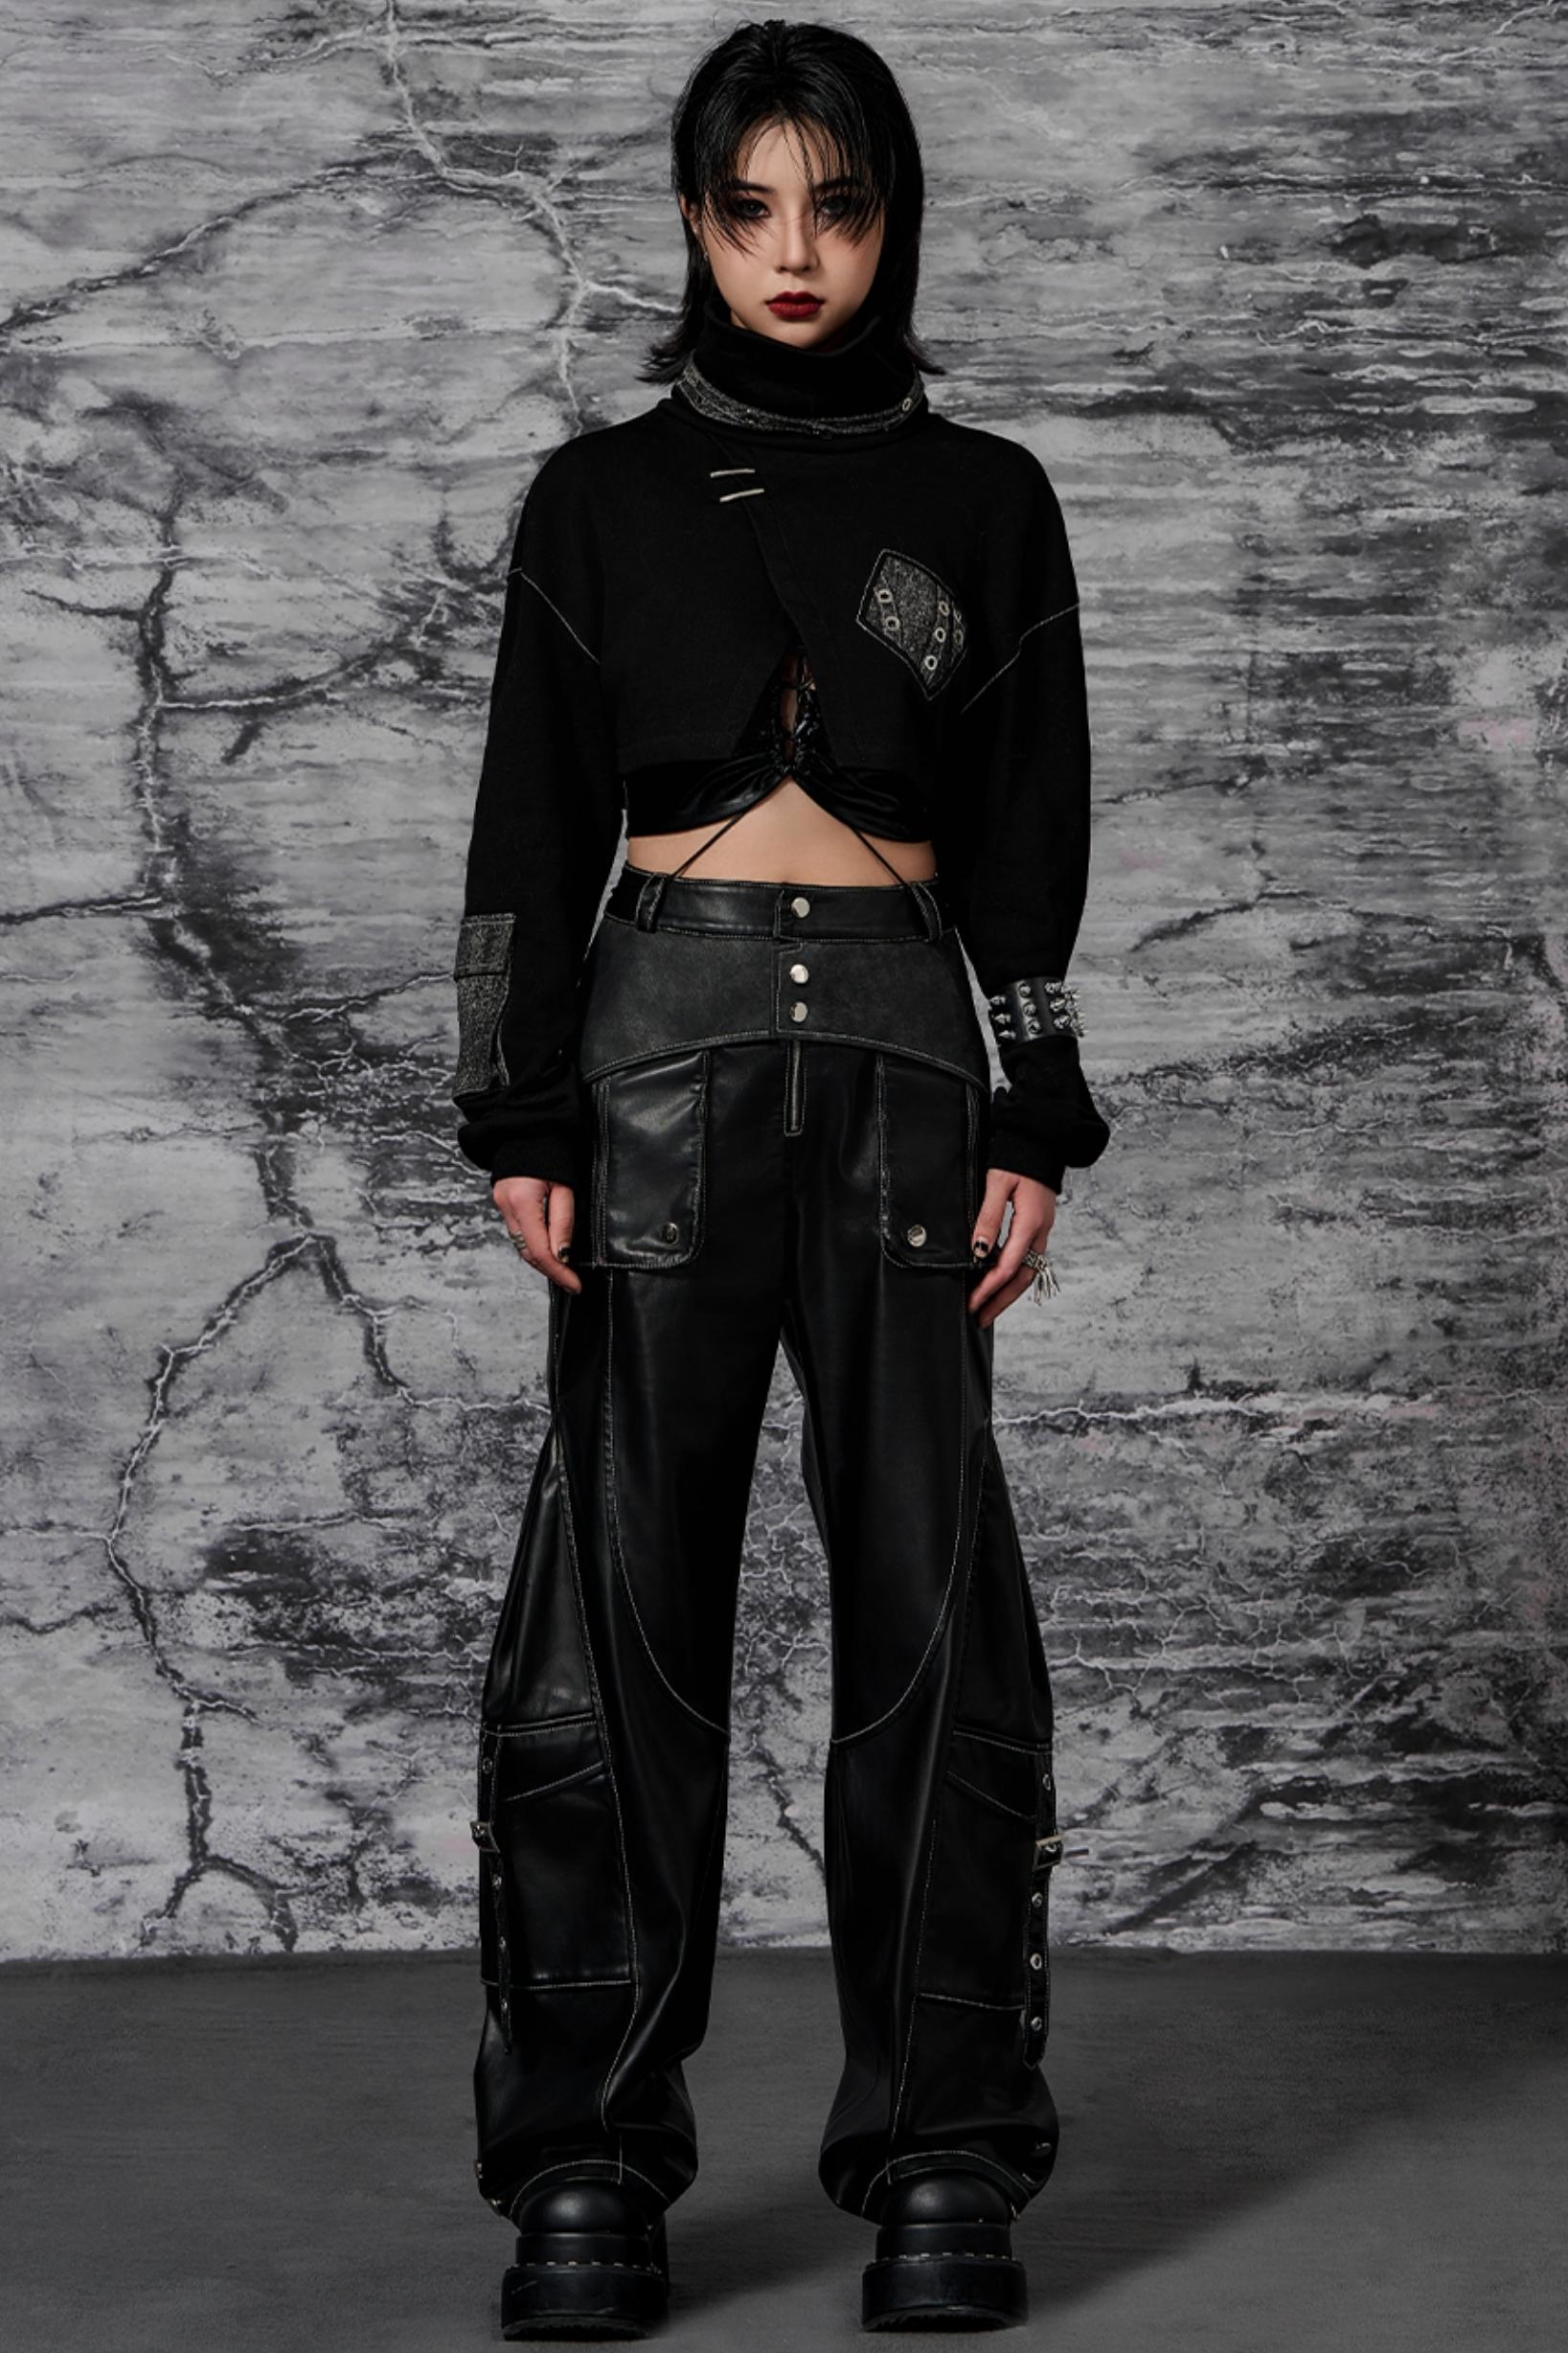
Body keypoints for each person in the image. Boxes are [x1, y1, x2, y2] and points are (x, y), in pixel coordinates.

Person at [450, 18, 1111, 2338]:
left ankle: (946, 2158)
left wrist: (1036, 1109)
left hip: (916, 1079)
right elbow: (528, 821)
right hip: (657, 1074)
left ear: (896, 217)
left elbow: (1030, 832)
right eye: (750, 209)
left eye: (838, 205)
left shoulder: (988, 499)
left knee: (929, 1617)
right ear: (696, 222)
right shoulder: (597, 500)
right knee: (619, 1617)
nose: (795, 252)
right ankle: (587, 2168)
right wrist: (517, 1110)